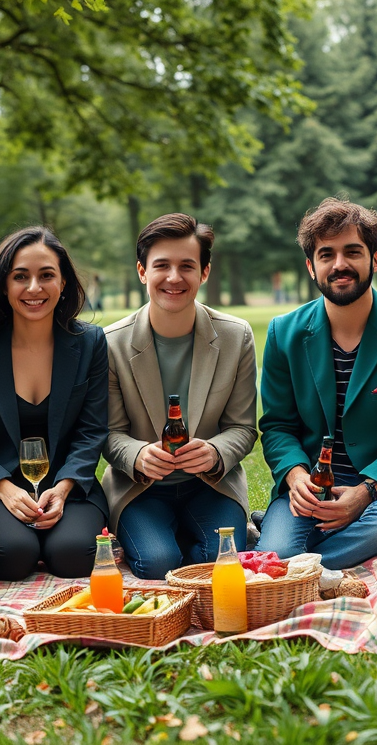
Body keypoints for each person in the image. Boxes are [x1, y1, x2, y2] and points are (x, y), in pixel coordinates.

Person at [255, 198, 377, 570]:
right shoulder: (283, 333)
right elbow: (277, 426)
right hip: (309, 483)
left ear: (375, 259)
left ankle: (295, 565)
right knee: (282, 549)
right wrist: (295, 476)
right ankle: (306, 550)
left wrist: (366, 492)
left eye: (352, 251)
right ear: (311, 267)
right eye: (327, 255)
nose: (339, 264)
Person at [102, 214, 257, 579]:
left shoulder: (237, 337)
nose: (174, 277)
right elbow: (109, 433)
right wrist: (138, 455)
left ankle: (193, 537)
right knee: (157, 563)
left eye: (186, 266)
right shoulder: (110, 344)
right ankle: (170, 539)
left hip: (212, 485)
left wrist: (215, 451)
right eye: (162, 266)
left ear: (204, 273)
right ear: (142, 271)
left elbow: (243, 428)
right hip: (140, 489)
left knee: (216, 565)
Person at [0, 227, 109, 580]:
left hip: (70, 487)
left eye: (46, 275)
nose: (34, 288)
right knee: (12, 555)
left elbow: (92, 431)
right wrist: (5, 490)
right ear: (4, 286)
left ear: (64, 282)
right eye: (20, 276)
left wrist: (65, 486)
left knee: (74, 555)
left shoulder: (90, 343)